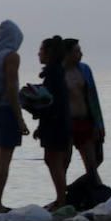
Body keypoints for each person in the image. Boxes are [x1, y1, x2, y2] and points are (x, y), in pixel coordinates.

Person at [0, 20, 29, 213]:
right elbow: (11, 87)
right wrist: (20, 118)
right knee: (4, 159)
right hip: (5, 110)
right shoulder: (11, 56)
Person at [27, 36, 71, 210]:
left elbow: (51, 103)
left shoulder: (53, 73)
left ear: (49, 53)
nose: (38, 53)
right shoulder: (56, 72)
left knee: (54, 161)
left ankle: (61, 199)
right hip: (57, 123)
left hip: (56, 124)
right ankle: (60, 198)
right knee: (54, 160)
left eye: (41, 50)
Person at [63, 38, 105, 181]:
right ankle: (61, 197)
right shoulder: (59, 72)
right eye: (77, 51)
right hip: (67, 123)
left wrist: (99, 124)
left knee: (93, 164)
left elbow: (93, 98)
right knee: (64, 163)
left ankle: (97, 194)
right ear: (67, 53)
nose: (81, 54)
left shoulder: (84, 69)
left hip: (85, 120)